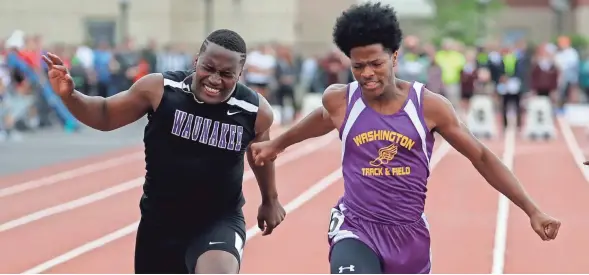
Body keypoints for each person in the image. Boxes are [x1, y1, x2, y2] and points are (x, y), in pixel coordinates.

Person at [250, 3, 561, 274]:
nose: (367, 73)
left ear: (394, 57)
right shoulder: (341, 101)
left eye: (376, 63)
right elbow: (318, 121)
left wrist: (532, 209)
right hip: (355, 227)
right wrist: (278, 144)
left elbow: (480, 157)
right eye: (358, 66)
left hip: (408, 236)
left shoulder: (428, 106)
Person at [42, 29, 286, 274]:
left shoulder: (254, 111)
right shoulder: (160, 89)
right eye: (208, 68)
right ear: (196, 61)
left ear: (240, 74)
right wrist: (70, 96)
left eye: (226, 74)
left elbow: (261, 155)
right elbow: (106, 114)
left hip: (219, 220)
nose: (214, 79)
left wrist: (270, 199)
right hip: (160, 221)